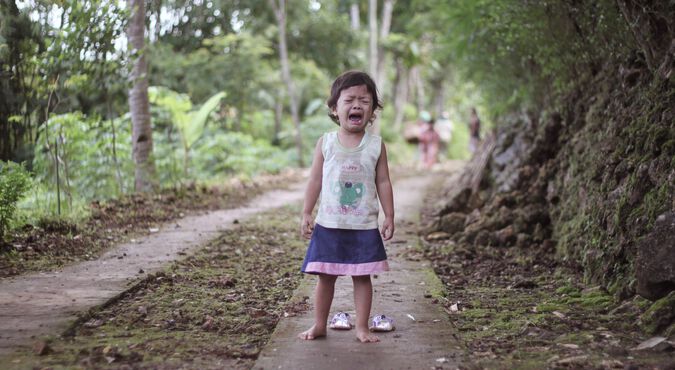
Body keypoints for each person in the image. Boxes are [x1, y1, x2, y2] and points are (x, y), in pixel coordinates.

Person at [299, 70, 395, 343]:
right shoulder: (326, 143)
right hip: (329, 224)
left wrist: (389, 215)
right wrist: (306, 211)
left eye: (364, 101)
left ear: (373, 110)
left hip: (363, 225)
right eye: (349, 99)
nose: (356, 105)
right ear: (334, 108)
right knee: (325, 278)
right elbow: (315, 179)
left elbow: (384, 181)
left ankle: (362, 327)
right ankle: (319, 325)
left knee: (362, 277)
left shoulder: (376, 146)